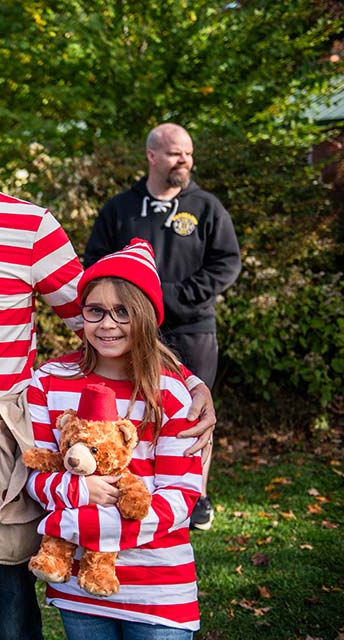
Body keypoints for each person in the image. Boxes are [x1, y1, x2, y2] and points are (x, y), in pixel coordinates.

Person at [0, 70, 216, 640]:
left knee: (11, 614)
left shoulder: (31, 227)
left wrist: (188, 380)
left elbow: (106, 320)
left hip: (0, 456)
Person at [26, 239, 203, 638]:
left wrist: (88, 526)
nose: (107, 324)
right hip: (77, 586)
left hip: (157, 585)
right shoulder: (50, 382)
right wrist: (82, 492)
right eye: (96, 311)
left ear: (146, 317)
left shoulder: (171, 395)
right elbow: (35, 474)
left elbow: (182, 494)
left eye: (123, 312)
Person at [84, 123, 241, 531]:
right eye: (176, 153)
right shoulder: (120, 209)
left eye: (188, 153)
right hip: (132, 329)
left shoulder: (206, 207)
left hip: (193, 328)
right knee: (134, 407)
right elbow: (96, 264)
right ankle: (135, 484)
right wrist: (125, 306)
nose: (185, 160)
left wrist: (175, 296)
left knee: (192, 412)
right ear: (152, 156)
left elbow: (227, 262)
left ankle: (197, 495)